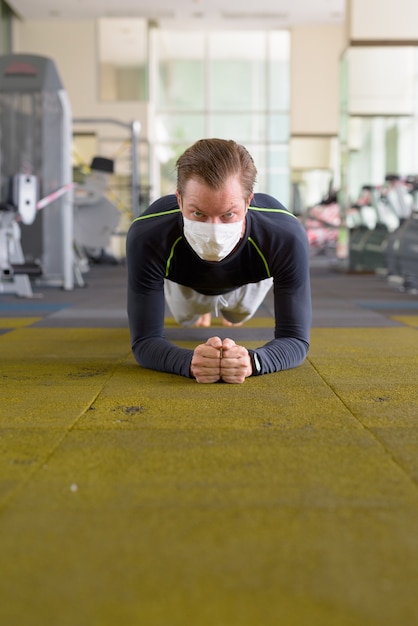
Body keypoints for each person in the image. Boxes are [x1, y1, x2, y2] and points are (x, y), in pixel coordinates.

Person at [126, 138, 311, 384]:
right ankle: (200, 312)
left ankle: (228, 313)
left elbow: (296, 339)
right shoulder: (147, 235)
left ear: (248, 203)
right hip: (184, 284)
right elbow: (144, 342)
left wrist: (253, 361)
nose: (214, 229)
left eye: (228, 214)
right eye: (198, 213)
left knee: (236, 316)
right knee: (186, 319)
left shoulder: (285, 236)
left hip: (246, 284)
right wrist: (189, 362)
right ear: (179, 200)